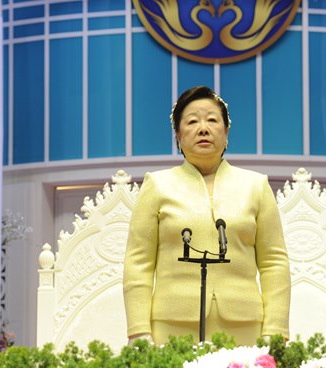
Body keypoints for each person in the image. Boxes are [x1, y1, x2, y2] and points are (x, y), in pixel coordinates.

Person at [122, 86, 291, 346]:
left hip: (244, 327)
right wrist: (138, 330)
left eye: (212, 120)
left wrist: (275, 330)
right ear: (178, 135)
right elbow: (138, 262)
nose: (203, 129)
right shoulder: (156, 185)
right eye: (192, 122)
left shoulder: (256, 186)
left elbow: (274, 262)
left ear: (226, 132)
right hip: (171, 327)